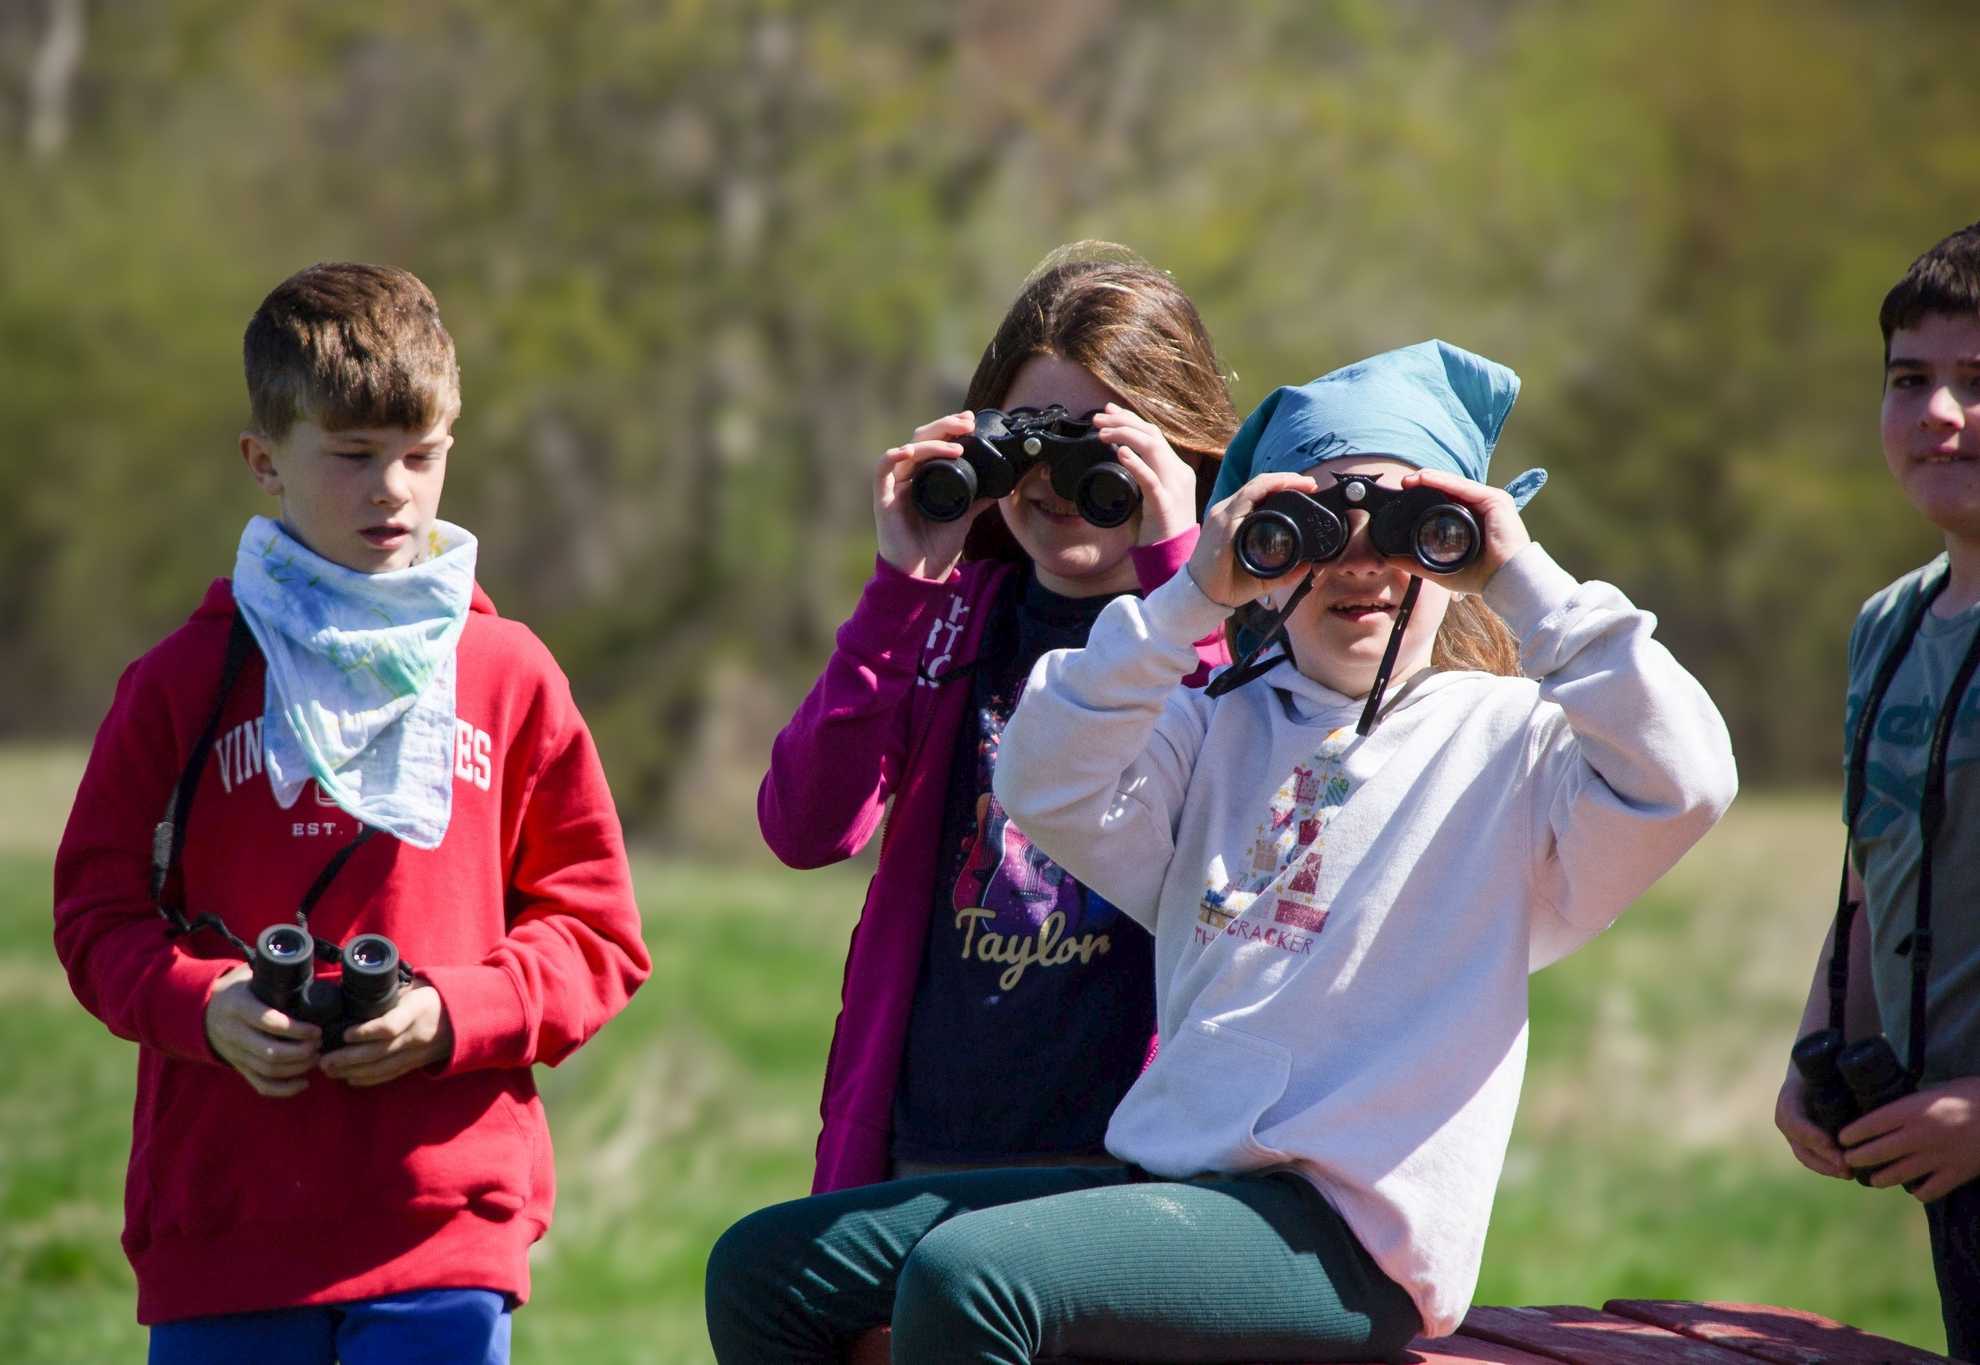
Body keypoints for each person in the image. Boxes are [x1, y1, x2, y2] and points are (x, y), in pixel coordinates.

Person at [709, 340, 1736, 1364]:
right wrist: (1190, 597)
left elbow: (1685, 777)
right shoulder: (1213, 727)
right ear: (1264, 551)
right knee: (767, 1268)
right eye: (1314, 530)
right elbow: (1041, 773)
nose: (1361, 563)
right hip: (1172, 1188)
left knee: (971, 1282)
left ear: (1455, 547)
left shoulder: (1514, 750)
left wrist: (1523, 581)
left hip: (1346, 1235)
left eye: (1407, 529)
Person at [53, 262, 650, 1364]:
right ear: (263, 461)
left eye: (421, 456)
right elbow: (93, 914)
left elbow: (598, 934)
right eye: (352, 456)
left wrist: (453, 1016)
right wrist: (205, 1004)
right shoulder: (181, 683)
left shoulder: (508, 675)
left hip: (442, 1221)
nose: (394, 492)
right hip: (226, 1224)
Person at [758, 243, 1239, 1191]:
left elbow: (1241, 817)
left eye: (1102, 441)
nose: (1059, 477)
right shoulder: (948, 619)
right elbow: (806, 827)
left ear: (1176, 450)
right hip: (926, 1137)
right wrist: (903, 590)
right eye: (1031, 434)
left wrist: (1183, 570)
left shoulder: (1240, 627)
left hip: (1126, 1156)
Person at [1775, 222, 1980, 1361]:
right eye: (1910, 380)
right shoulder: (1885, 623)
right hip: (1943, 1172)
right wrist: (1820, 1044)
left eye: (1978, 382)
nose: (1937, 415)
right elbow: (1871, 863)